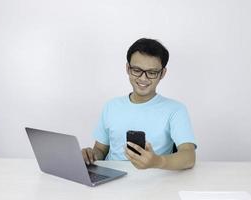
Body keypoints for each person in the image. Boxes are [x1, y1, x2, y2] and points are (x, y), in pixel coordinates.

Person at [82, 38, 196, 170]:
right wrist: (90, 155)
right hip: (110, 181)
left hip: (155, 183)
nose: (143, 78)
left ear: (162, 73)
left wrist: (157, 161)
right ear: (127, 68)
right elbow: (100, 150)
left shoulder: (175, 110)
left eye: (152, 73)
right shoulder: (111, 106)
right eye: (137, 70)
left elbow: (189, 156)